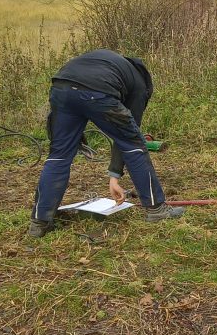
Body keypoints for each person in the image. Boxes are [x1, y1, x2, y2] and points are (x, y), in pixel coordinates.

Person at [28, 49, 184, 238]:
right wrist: (115, 175)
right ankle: (157, 210)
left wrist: (114, 176)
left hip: (61, 87)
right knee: (135, 145)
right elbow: (127, 139)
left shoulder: (110, 62)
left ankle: (39, 222)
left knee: (58, 155)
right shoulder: (139, 85)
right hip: (96, 91)